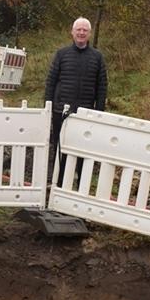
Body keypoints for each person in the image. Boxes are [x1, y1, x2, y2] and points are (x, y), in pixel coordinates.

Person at [44, 17, 108, 185]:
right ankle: (58, 184)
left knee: (82, 152)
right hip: (61, 112)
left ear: (89, 34)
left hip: (85, 114)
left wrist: (98, 113)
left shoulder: (97, 57)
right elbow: (51, 82)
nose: (81, 33)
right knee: (60, 149)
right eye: (78, 29)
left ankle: (80, 187)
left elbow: (102, 87)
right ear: (72, 32)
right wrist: (48, 106)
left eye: (84, 30)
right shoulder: (61, 54)